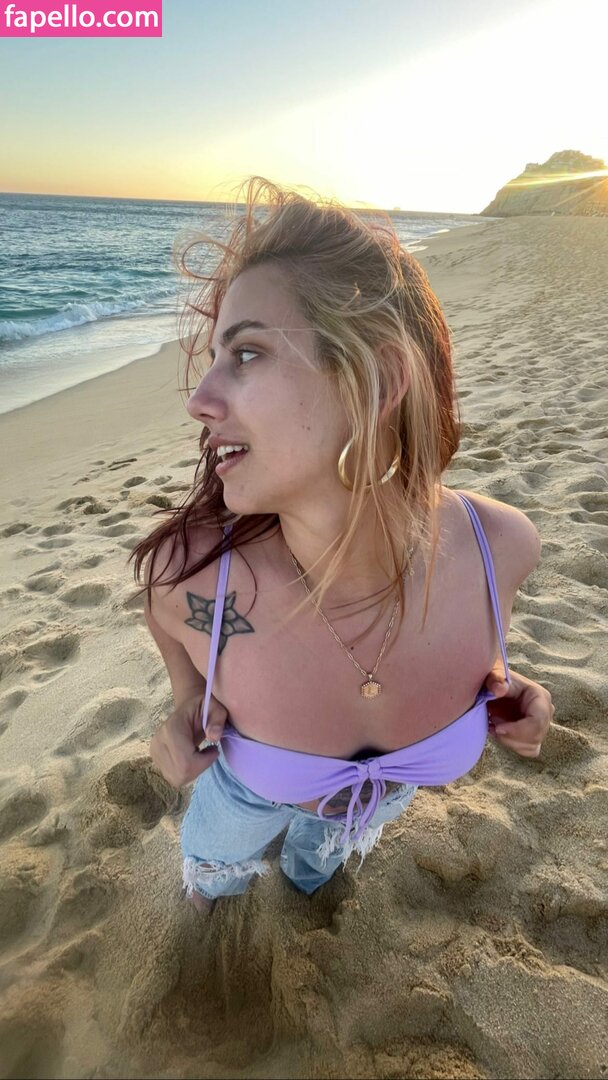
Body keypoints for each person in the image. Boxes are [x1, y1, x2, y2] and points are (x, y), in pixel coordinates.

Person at [129, 177, 554, 915]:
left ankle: (309, 871)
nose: (199, 401)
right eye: (216, 357)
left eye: (247, 353)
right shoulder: (197, 573)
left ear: (378, 379)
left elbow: (475, 650)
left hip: (370, 809)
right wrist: (188, 696)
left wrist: (502, 685)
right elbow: (163, 616)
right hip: (245, 799)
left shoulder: (502, 549)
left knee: (316, 867)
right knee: (217, 877)